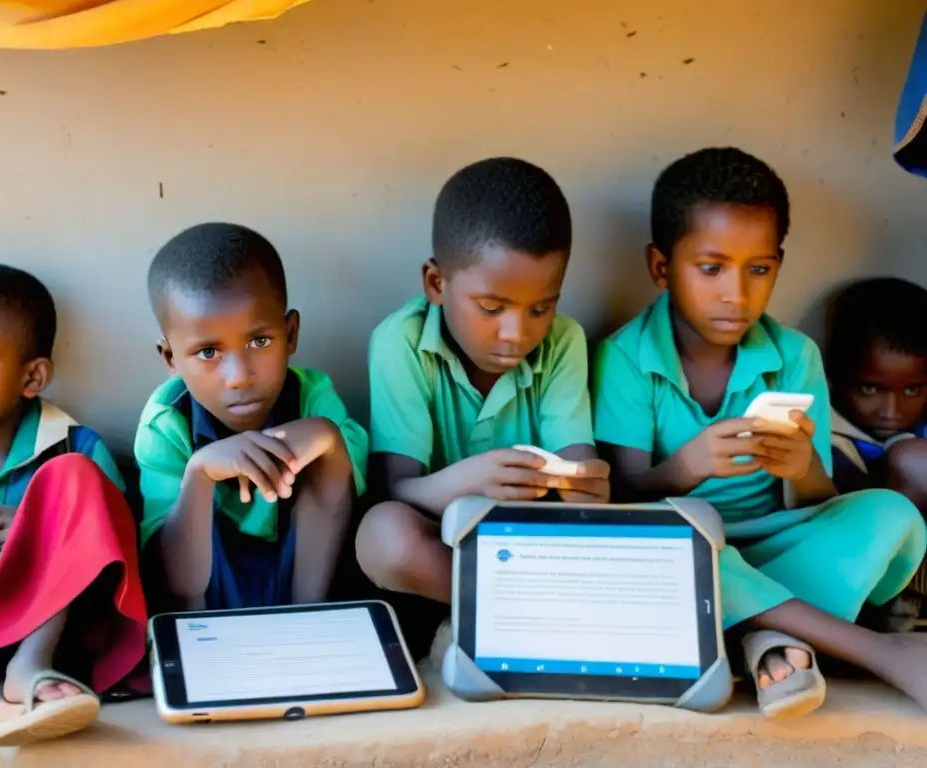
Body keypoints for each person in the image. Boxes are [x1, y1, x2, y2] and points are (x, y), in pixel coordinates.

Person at [592, 147, 927, 719]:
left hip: (778, 547)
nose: (737, 294)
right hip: (691, 551)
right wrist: (686, 467)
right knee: (674, 540)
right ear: (661, 266)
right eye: (711, 268)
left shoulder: (794, 356)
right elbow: (620, 495)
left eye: (759, 269)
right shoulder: (624, 358)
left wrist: (803, 470)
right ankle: (877, 650)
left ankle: (761, 634)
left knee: (892, 515)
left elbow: (818, 505)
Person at [356, 157, 611, 622]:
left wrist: (586, 483)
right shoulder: (401, 342)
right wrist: (463, 484)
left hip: (535, 544)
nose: (516, 332)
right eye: (492, 307)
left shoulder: (564, 341)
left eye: (541, 308)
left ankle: (505, 623)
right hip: (444, 551)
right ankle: (526, 620)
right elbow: (394, 491)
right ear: (437, 283)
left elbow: (578, 462)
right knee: (383, 535)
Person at [0, 264, 146, 746]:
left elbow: (121, 557)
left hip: (51, 643)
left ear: (32, 376)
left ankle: (24, 680)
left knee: (75, 480)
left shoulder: (74, 448)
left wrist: (40, 531)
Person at [135, 222, 367, 613]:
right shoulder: (165, 424)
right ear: (171, 359)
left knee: (327, 443)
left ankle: (308, 621)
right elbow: (175, 585)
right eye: (209, 352)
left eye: (260, 342)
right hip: (206, 604)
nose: (240, 375)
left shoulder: (314, 399)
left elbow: (344, 505)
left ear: (290, 333)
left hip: (303, 581)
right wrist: (200, 473)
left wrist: (325, 437)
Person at [826, 277, 927, 623]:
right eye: (869, 389)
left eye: (913, 390)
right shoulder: (827, 440)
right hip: (860, 582)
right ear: (834, 378)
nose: (891, 410)